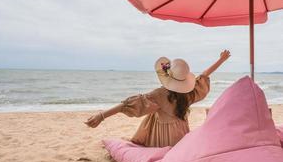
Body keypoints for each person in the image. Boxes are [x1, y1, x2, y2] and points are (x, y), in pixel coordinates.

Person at [84, 50, 231, 147]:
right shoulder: (191, 93)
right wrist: (221, 60)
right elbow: (205, 75)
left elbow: (127, 105)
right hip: (180, 131)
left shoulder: (159, 94)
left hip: (162, 134)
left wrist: (102, 115)